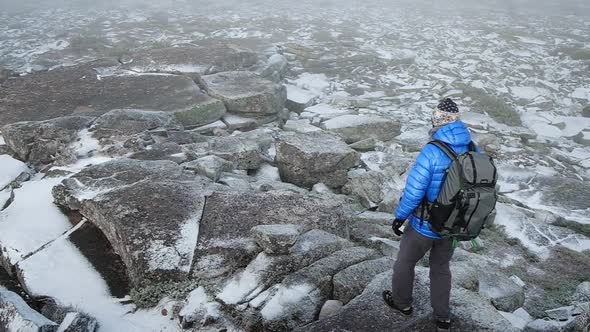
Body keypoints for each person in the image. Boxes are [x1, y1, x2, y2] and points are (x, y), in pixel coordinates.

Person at [382, 98, 474, 331]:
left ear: (436, 119)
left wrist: (400, 217)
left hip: (425, 224)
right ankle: (442, 316)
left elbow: (414, 192)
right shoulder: (473, 148)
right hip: (454, 224)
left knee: (405, 261)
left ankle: (402, 303)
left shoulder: (432, 150)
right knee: (441, 268)